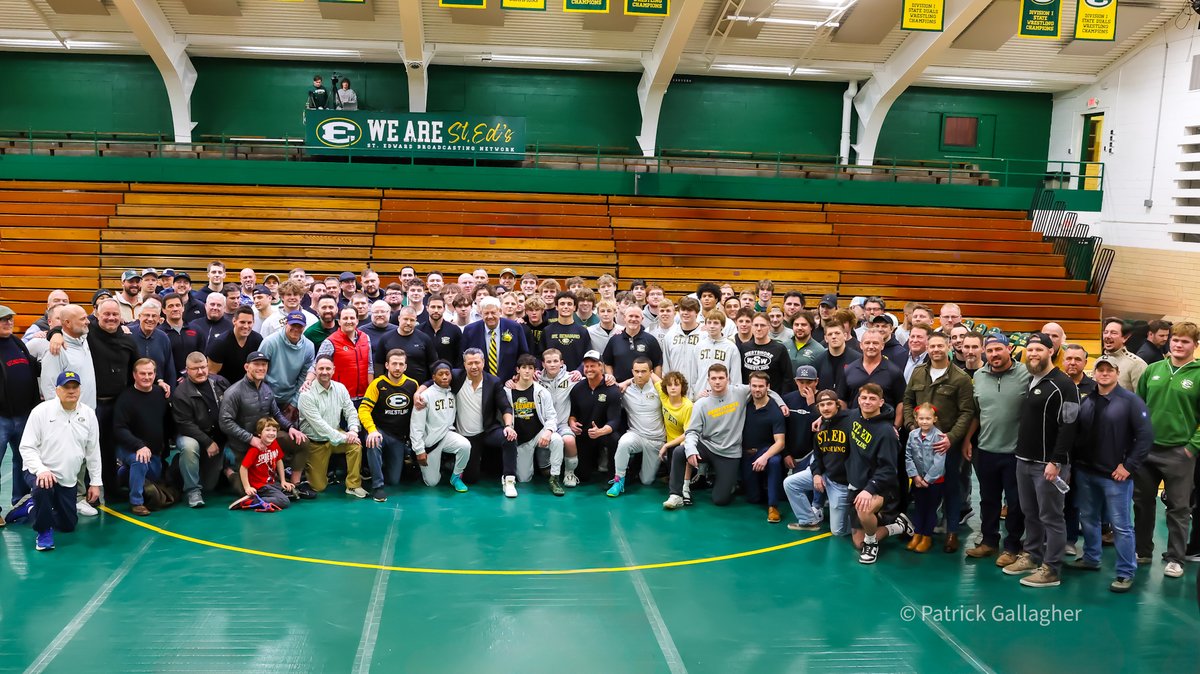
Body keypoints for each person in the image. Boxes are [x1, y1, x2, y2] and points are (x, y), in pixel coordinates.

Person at [1003, 332, 1080, 588]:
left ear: (1051, 352)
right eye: (1030, 349)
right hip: (1024, 460)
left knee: (1052, 516)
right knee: (1030, 513)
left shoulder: (1064, 385)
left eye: (1039, 349)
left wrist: (1056, 461)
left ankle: (1052, 569)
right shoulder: (1031, 380)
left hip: (1048, 465)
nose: (1033, 353)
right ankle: (1032, 556)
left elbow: (1069, 425)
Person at [1070, 355, 1152, 593]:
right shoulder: (1087, 400)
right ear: (1094, 374)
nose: (1104, 373)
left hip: (1115, 476)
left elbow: (1145, 437)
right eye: (1100, 370)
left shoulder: (1131, 401)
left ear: (1117, 373)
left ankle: (1126, 572)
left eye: (1109, 370)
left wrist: (1128, 466)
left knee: (1121, 525)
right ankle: (1091, 558)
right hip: (1086, 471)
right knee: (1088, 517)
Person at [664, 364, 785, 509]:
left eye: (721, 378)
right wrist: (691, 449)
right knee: (680, 451)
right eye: (713, 378)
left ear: (728, 379)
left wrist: (781, 404)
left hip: (730, 453)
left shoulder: (739, 392)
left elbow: (764, 389)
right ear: (708, 380)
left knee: (720, 500)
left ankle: (727, 483)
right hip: (707, 447)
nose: (717, 382)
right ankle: (676, 495)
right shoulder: (701, 403)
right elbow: (692, 432)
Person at [1134, 321, 1200, 579]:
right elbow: (1138, 407)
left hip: (1179, 454)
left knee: (1179, 508)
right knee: (1141, 503)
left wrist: (1192, 447)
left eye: (1185, 341)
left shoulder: (1198, 374)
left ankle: (1175, 558)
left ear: (1195, 345)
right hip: (1146, 452)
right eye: (1175, 339)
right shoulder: (1153, 370)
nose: (1178, 344)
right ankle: (1143, 551)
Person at [902, 331, 976, 554]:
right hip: (920, 444)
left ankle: (952, 531)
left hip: (945, 445)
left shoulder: (960, 378)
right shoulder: (917, 374)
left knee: (951, 489)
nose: (935, 350)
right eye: (932, 346)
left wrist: (952, 438)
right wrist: (911, 427)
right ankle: (922, 532)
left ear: (949, 347)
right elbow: (907, 401)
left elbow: (966, 411)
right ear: (927, 347)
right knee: (922, 490)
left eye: (940, 346)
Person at [13, 371, 102, 551]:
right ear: (57, 390)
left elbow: (93, 451)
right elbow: (26, 447)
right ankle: (44, 532)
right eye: (66, 387)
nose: (71, 391)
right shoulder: (41, 412)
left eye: (74, 387)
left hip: (68, 477)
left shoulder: (88, 414)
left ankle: (31, 508)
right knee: (44, 486)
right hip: (39, 471)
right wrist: (41, 470)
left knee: (68, 525)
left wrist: (95, 482)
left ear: (80, 390)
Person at [218, 351, 312, 498]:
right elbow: (225, 422)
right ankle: (229, 472)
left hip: (266, 438)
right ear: (246, 367)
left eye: (264, 365)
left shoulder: (266, 388)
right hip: (243, 444)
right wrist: (250, 438)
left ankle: (295, 483)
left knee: (302, 441)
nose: (261, 368)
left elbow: (276, 413)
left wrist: (291, 427)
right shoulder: (234, 392)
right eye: (256, 364)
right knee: (250, 492)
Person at [845, 383, 914, 564]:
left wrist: (869, 489)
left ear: (881, 402)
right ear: (858, 400)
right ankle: (898, 526)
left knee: (864, 509)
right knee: (857, 543)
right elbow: (835, 413)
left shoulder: (886, 432)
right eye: (864, 398)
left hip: (882, 488)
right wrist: (823, 419)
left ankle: (872, 543)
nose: (867, 402)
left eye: (872, 399)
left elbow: (889, 470)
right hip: (857, 484)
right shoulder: (853, 416)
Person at [298, 355, 366, 498]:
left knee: (355, 446)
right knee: (319, 487)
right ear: (315, 370)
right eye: (321, 368)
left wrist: (353, 430)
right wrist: (345, 437)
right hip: (316, 441)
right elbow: (319, 426)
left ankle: (353, 485)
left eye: (328, 368)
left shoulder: (340, 388)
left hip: (336, 433)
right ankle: (306, 470)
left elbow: (351, 410)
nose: (324, 372)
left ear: (333, 370)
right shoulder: (306, 395)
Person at [783, 389, 850, 534]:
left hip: (841, 482)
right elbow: (817, 457)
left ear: (837, 405)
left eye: (829, 404)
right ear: (818, 408)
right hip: (825, 475)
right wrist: (817, 474)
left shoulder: (850, 421)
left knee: (838, 531)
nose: (826, 408)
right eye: (822, 405)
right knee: (790, 483)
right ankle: (808, 520)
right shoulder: (820, 429)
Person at [358, 348, 419, 500]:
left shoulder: (413, 385)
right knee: (373, 442)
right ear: (387, 365)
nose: (397, 368)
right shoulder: (377, 384)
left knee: (393, 480)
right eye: (394, 364)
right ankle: (377, 486)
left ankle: (383, 465)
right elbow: (364, 409)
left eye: (400, 364)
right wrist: (372, 430)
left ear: (405, 366)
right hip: (380, 431)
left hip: (398, 436)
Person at [172, 352, 230, 508]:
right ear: (187, 370)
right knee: (189, 447)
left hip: (218, 437)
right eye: (195, 368)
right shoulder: (181, 393)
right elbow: (184, 423)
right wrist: (207, 442)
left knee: (210, 486)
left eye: (203, 367)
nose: (201, 372)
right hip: (192, 436)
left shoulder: (220, 383)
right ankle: (192, 490)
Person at [0, 305, 40, 517]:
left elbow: (35, 368)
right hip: (2, 417)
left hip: (24, 415)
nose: (8, 322)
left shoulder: (17, 343)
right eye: (3, 319)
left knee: (24, 460)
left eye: (10, 319)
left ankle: (21, 503)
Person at [408, 360, 471, 493]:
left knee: (465, 446)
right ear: (433, 377)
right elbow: (416, 426)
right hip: (430, 443)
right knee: (432, 483)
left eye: (447, 374)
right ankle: (428, 466)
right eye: (440, 374)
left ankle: (456, 477)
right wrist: (419, 450)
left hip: (447, 436)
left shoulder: (452, 393)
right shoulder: (424, 396)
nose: (444, 377)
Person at [507, 354, 565, 495]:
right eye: (524, 368)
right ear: (517, 370)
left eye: (530, 368)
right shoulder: (507, 392)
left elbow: (552, 416)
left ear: (535, 371)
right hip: (521, 438)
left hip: (539, 433)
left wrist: (549, 431)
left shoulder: (541, 392)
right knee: (523, 479)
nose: (527, 371)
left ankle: (554, 478)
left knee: (557, 439)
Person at [609, 357, 665, 497]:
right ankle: (618, 480)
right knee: (624, 442)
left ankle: (635, 470)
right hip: (636, 435)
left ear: (651, 372)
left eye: (644, 371)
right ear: (632, 372)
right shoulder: (624, 390)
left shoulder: (659, 388)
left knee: (647, 481)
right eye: (637, 371)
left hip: (656, 440)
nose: (640, 375)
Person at [741, 371, 788, 523]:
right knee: (753, 498)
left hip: (765, 452)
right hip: (746, 454)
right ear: (749, 386)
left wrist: (764, 457)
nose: (757, 389)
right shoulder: (744, 404)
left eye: (761, 386)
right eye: (754, 386)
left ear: (768, 387)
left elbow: (780, 442)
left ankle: (773, 506)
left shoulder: (775, 411)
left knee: (774, 461)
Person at [905, 403, 947, 553]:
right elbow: (908, 456)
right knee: (919, 507)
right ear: (916, 419)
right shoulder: (912, 435)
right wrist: (915, 476)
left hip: (934, 482)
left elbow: (939, 462)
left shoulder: (939, 437)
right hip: (917, 480)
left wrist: (927, 480)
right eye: (921, 418)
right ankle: (917, 534)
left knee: (930, 509)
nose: (924, 421)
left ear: (934, 419)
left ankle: (927, 536)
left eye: (928, 418)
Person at [259, 311, 316, 418]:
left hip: (291, 397)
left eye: (300, 326)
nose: (296, 329)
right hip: (266, 396)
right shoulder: (270, 342)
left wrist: (294, 402)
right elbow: (258, 370)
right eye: (293, 325)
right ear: (286, 323)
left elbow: (304, 377)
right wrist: (266, 398)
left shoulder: (309, 346)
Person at [309, 307, 373, 400]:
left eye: (352, 318)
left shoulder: (365, 338)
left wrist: (370, 393)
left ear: (357, 321)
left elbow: (369, 366)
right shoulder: (330, 341)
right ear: (339, 322)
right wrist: (308, 380)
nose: (349, 321)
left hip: (363, 396)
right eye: (345, 318)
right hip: (339, 398)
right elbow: (316, 365)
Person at [539, 348, 581, 486]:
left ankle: (569, 473)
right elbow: (519, 383)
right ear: (543, 364)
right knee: (545, 472)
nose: (552, 364)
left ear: (562, 363)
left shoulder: (571, 378)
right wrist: (512, 381)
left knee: (569, 441)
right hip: (542, 426)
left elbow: (592, 380)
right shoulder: (536, 380)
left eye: (555, 361)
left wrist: (609, 378)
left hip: (562, 424)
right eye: (549, 362)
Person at [461, 297, 529, 382]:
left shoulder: (515, 328)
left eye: (493, 313)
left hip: (510, 382)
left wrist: (518, 375)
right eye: (486, 313)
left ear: (500, 312)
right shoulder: (470, 330)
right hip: (480, 382)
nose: (490, 316)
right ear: (481, 314)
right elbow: (463, 357)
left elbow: (524, 355)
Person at [233, 418, 294, 512]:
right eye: (268, 430)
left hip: (272, 482)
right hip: (260, 485)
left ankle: (265, 497)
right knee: (284, 501)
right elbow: (243, 468)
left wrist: (283, 481)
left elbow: (279, 460)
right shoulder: (255, 449)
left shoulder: (274, 443)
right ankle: (251, 501)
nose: (272, 433)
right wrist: (247, 487)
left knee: (292, 491)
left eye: (274, 430)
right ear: (259, 433)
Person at [603, 305, 663, 382]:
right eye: (630, 316)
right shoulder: (614, 340)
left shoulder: (651, 340)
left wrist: (656, 386)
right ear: (625, 317)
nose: (633, 319)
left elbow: (657, 365)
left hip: (644, 388)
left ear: (642, 319)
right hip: (620, 388)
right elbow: (607, 363)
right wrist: (612, 380)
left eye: (637, 316)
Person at [376, 307, 435, 384]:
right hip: (391, 388)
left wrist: (426, 385)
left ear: (416, 321)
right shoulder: (385, 338)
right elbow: (378, 365)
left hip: (419, 389)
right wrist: (381, 385)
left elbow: (433, 364)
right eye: (405, 319)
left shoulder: (424, 339)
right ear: (399, 318)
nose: (408, 323)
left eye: (412, 320)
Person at [206, 306, 262, 385]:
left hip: (249, 386)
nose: (246, 326)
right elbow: (212, 375)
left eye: (249, 323)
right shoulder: (220, 343)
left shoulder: (257, 340)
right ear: (234, 321)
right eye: (242, 322)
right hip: (224, 388)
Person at [739, 313, 794, 395]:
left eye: (762, 325)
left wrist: (782, 399)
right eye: (756, 325)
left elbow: (787, 378)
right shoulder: (744, 347)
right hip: (748, 397)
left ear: (769, 327)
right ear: (751, 326)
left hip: (772, 398)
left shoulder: (779, 349)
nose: (759, 328)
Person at [694, 309, 741, 397]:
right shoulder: (699, 346)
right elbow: (694, 375)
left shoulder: (731, 348)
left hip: (724, 396)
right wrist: (696, 393)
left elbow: (736, 377)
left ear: (722, 326)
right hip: (702, 394)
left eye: (716, 323)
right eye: (709, 322)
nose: (712, 326)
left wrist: (733, 397)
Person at [541, 292, 591, 371]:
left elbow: (588, 356)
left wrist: (579, 371)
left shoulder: (582, 331)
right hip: (552, 377)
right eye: (562, 304)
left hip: (575, 377)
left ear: (574, 307)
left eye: (569, 304)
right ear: (556, 307)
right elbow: (540, 355)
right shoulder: (547, 331)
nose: (566, 307)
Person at [129, 299, 174, 383]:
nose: (150, 319)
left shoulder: (163, 337)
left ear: (159, 319)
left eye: (154, 316)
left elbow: (170, 369)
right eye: (147, 315)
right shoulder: (129, 334)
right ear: (139, 316)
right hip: (132, 389)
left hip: (158, 390)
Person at [1101, 317, 1148, 392]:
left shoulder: (1136, 364)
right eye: (1105, 332)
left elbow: (1141, 399)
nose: (1107, 336)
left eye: (1113, 333)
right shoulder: (1098, 361)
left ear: (1125, 338)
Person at [420, 293, 463, 368]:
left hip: (448, 375)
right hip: (424, 377)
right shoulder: (419, 330)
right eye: (433, 307)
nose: (436, 310)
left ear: (444, 309)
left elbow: (459, 358)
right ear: (427, 308)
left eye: (439, 307)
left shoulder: (454, 330)